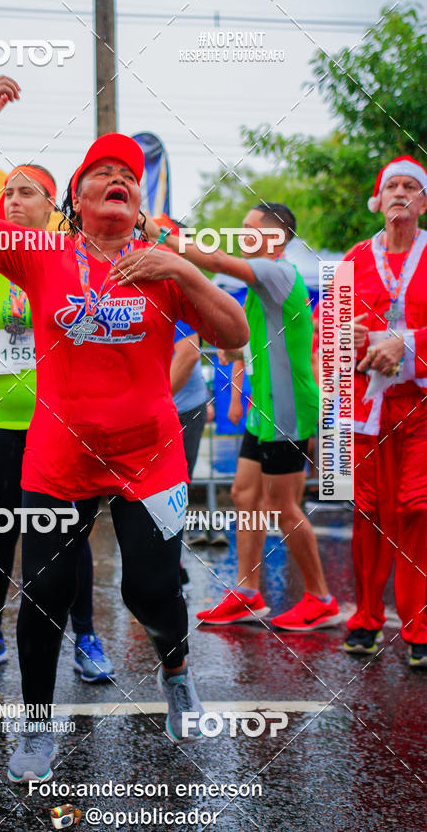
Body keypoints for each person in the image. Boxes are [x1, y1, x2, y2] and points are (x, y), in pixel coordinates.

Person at [0, 76, 249, 783]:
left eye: (128, 177)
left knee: (150, 589)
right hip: (59, 460)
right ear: (76, 203)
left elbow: (232, 332)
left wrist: (184, 270)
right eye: (102, 174)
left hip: (151, 459)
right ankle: (39, 729)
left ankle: (175, 671)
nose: (118, 179)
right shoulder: (42, 255)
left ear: (139, 204)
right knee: (44, 591)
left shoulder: (162, 264)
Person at [0, 163, 114, 680]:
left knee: (70, 532)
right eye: (7, 192)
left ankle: (86, 637)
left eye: (26, 192)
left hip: (60, 418)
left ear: (52, 206)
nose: (12, 200)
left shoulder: (73, 258)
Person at [148, 203, 339, 631]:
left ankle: (321, 599)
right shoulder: (262, 285)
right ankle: (248, 594)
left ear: (276, 238)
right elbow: (256, 344)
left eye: (250, 229)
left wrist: (157, 235)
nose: (242, 235)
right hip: (265, 407)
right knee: (243, 496)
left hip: (288, 409)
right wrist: (231, 352)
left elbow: (213, 259)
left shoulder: (278, 272)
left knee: (283, 505)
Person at [344, 155, 427, 666]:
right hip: (366, 412)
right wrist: (346, 340)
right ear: (378, 198)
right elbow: (325, 338)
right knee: (368, 513)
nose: (400, 193)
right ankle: (366, 619)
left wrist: (406, 344)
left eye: (411, 186)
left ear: (423, 201)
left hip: (420, 409)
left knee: (419, 509)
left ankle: (419, 625)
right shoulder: (353, 259)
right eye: (392, 185)